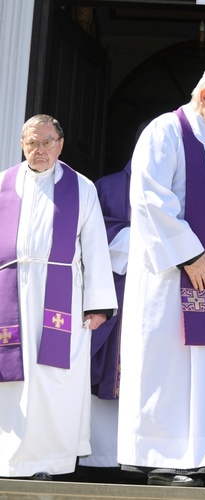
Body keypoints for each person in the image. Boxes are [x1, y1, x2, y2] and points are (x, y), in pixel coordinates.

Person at [117, 66, 205, 488]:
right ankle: (165, 454)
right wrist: (189, 254)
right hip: (176, 279)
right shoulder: (165, 131)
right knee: (173, 363)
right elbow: (149, 197)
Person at [0, 114, 117, 478]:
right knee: (11, 378)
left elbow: (96, 245)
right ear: (22, 143)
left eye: (47, 141)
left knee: (55, 380)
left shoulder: (81, 188)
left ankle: (47, 462)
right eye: (33, 142)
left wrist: (97, 305)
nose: (40, 149)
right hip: (9, 295)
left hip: (61, 298)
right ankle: (6, 457)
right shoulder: (3, 184)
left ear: (60, 144)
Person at [75, 162, 132, 479]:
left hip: (162, 297)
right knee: (109, 370)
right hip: (117, 293)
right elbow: (91, 236)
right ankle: (101, 458)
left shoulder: (179, 185)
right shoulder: (107, 186)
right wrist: (138, 238)